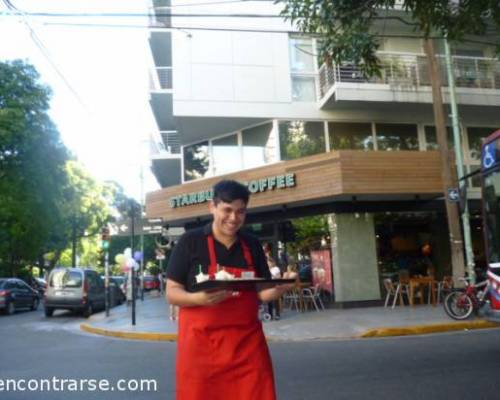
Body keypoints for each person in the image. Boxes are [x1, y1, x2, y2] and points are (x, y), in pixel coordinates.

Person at [166, 180, 293, 400]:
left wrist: (280, 288)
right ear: (212, 207)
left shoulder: (252, 244)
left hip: (247, 347)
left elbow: (262, 293)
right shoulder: (190, 241)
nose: (234, 218)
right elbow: (172, 292)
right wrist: (198, 299)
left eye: (240, 212)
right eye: (227, 210)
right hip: (201, 349)